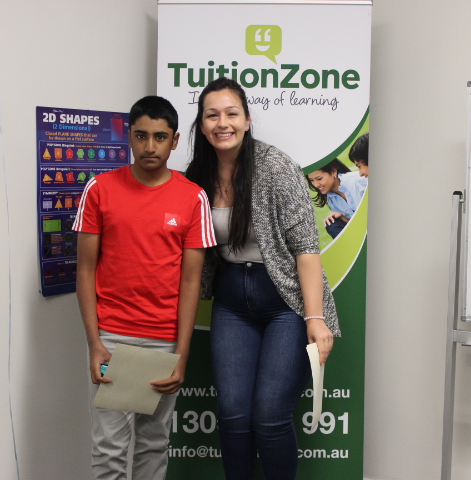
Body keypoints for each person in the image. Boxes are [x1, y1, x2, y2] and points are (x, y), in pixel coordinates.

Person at [184, 77, 340, 480]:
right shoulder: (196, 176)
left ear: (247, 120)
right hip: (231, 303)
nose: (223, 123)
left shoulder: (276, 167)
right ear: (202, 124)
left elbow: (306, 249)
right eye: (212, 115)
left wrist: (315, 318)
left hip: (284, 302)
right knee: (233, 414)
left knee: (270, 415)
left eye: (231, 113)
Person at [74, 95, 216, 480]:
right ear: (129, 137)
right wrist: (95, 343)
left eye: (160, 137)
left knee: (154, 444)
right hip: (112, 339)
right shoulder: (100, 190)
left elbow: (192, 281)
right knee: (108, 449)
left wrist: (181, 353)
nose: (149, 146)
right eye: (141, 136)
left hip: (163, 342)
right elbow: (85, 271)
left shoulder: (193, 198)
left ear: (174, 141)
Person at [307, 158, 368, 238]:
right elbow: (357, 226)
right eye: (312, 180)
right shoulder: (331, 198)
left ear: (333, 172)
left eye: (319, 179)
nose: (316, 185)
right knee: (332, 224)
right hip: (365, 231)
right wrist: (342, 217)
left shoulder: (359, 181)